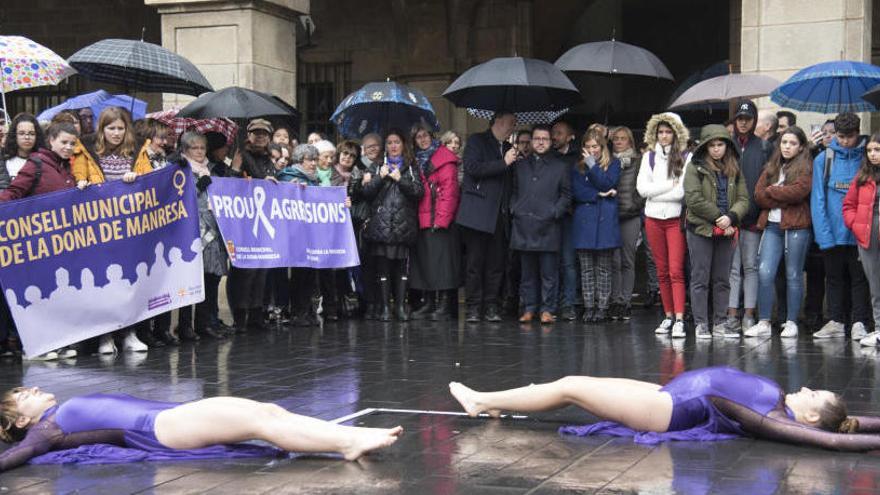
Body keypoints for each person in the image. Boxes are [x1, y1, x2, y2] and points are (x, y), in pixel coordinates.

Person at [449, 366, 880, 451]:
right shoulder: (784, 404)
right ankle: (490, 402)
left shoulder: (773, 419)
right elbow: (846, 422)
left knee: (570, 386)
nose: (806, 387)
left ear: (807, 416)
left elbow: (828, 437)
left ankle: (481, 400)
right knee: (576, 385)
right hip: (669, 393)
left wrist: (867, 441)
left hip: (668, 408)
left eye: (813, 395)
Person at [0, 386, 403, 472]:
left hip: (174, 415)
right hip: (165, 427)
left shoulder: (56, 415)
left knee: (267, 411)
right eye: (23, 395)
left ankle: (348, 440)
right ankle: (347, 442)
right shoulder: (44, 432)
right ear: (21, 420)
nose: (33, 389)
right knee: (261, 420)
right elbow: (14, 456)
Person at [72, 107, 149, 354]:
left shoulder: (138, 150)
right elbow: (78, 176)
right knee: (104, 282)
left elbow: (148, 180)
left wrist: (136, 177)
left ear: (126, 129)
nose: (116, 133)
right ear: (101, 129)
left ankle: (129, 333)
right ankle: (105, 337)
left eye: (120, 128)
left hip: (130, 229)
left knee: (130, 282)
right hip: (100, 231)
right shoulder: (86, 149)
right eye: (111, 128)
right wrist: (82, 183)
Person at [0, 122, 79, 360]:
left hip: (58, 245)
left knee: (54, 294)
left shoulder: (65, 168)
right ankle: (33, 346)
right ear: (51, 140)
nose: (68, 147)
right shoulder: (35, 164)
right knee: (36, 297)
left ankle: (56, 342)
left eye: (72, 144)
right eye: (64, 142)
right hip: (35, 244)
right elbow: (12, 194)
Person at [745, 126, 813, 339]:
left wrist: (773, 191)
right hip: (772, 226)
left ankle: (791, 322)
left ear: (801, 146)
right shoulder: (773, 165)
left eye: (792, 143)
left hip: (797, 226)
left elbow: (799, 191)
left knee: (794, 274)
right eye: (784, 142)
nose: (787, 147)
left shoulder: (805, 166)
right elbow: (758, 195)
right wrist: (780, 193)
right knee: (764, 272)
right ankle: (764, 321)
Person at [683, 124, 749, 339]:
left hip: (727, 228)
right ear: (705, 147)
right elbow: (693, 199)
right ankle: (701, 323)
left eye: (720, 144)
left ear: (727, 146)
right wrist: (719, 218)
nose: (716, 149)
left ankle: (720, 322)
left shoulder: (735, 167)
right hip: (701, 229)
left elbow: (743, 199)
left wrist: (731, 217)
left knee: (722, 279)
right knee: (700, 277)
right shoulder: (695, 166)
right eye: (712, 145)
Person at [811, 112, 871, 340]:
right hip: (833, 231)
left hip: (858, 232)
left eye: (850, 136)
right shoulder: (824, 159)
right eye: (841, 136)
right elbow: (818, 199)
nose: (845, 141)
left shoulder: (866, 158)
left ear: (858, 134)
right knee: (833, 278)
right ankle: (835, 320)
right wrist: (824, 234)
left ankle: (859, 321)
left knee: (859, 279)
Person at [456, 113, 516, 323]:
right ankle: (473, 306)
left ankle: (491, 305)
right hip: (478, 214)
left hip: (500, 215)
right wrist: (503, 162)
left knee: (496, 264)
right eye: (511, 123)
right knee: (475, 263)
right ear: (498, 121)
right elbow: (473, 168)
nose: (513, 127)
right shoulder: (476, 141)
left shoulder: (510, 148)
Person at [508, 125, 571, 324]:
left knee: (548, 272)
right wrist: (514, 208)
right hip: (524, 223)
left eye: (545, 138)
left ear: (551, 142)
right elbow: (514, 191)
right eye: (537, 138)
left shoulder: (560, 166)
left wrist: (555, 212)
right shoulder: (520, 165)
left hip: (548, 225)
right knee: (527, 272)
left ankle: (547, 309)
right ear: (532, 141)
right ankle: (529, 308)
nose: (541, 142)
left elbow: (566, 195)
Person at [361, 129, 424, 321]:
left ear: (403, 144)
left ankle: (400, 306)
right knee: (383, 267)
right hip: (382, 224)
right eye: (389, 142)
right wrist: (380, 176)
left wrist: (400, 179)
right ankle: (385, 308)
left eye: (397, 142)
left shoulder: (411, 166)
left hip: (403, 225)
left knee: (401, 269)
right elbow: (367, 193)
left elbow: (418, 192)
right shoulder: (377, 165)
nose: (393, 146)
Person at [171, 132, 229, 342]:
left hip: (214, 227)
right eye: (194, 148)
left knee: (212, 277)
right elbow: (177, 198)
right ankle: (185, 325)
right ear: (185, 150)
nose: (199, 152)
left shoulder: (212, 168)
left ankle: (208, 322)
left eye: (202, 148)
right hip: (193, 229)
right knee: (192, 279)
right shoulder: (179, 168)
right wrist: (197, 186)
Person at [636, 113, 690, 337]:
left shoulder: (686, 156)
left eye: (668, 132)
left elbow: (681, 193)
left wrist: (659, 189)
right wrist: (669, 184)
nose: (664, 136)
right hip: (653, 219)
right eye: (661, 132)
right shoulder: (649, 156)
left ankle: (679, 318)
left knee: (676, 270)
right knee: (661, 271)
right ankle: (668, 315)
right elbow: (642, 190)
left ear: (676, 133)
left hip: (675, 219)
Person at [226, 119, 277, 333]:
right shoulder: (241, 156)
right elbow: (229, 185)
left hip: (264, 221)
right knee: (245, 271)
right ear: (249, 135)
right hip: (244, 222)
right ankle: (240, 317)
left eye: (264, 133)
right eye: (256, 133)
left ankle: (257, 314)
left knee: (261, 270)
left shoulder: (269, 159)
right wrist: (238, 170)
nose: (260, 137)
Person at [726, 100, 772, 334]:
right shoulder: (726, 145)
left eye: (748, 119)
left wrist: (762, 212)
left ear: (754, 122)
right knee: (732, 269)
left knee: (751, 266)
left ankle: (749, 313)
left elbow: (769, 183)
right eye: (740, 118)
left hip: (753, 219)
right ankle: (732, 312)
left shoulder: (764, 147)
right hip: (730, 218)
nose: (743, 123)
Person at [409, 125, 461, 321]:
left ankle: (445, 305)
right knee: (426, 264)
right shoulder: (415, 160)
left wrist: (442, 219)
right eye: (418, 137)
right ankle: (429, 303)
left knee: (443, 265)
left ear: (432, 137)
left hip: (438, 219)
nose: (422, 140)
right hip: (422, 218)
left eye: (425, 136)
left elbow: (450, 192)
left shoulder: (444, 157)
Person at [572, 130, 620, 323]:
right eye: (588, 147)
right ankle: (589, 306)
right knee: (586, 268)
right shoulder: (576, 167)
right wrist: (598, 194)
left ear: (602, 147)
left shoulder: (614, 164)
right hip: (585, 221)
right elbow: (578, 192)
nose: (592, 150)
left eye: (595, 146)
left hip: (605, 221)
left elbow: (606, 182)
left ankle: (602, 306)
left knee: (604, 268)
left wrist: (593, 166)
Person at [276, 144, 322, 326]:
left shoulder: (313, 178)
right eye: (310, 160)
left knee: (310, 273)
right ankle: (297, 311)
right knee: (299, 273)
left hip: (311, 232)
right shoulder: (288, 176)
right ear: (299, 160)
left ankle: (308, 310)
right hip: (295, 233)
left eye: (315, 160)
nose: (314, 164)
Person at [843, 133, 880, 347]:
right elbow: (848, 205)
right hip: (867, 233)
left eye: (877, 150)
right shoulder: (862, 177)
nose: (873, 154)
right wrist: (855, 224)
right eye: (870, 150)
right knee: (875, 283)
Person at [609, 126, 644, 320]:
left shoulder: (638, 161)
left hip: (631, 216)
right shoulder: (608, 160)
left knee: (628, 260)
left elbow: (642, 187)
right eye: (616, 139)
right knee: (614, 260)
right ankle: (616, 300)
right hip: (612, 215)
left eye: (623, 138)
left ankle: (626, 301)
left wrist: (636, 205)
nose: (619, 142)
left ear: (630, 141)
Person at [349, 134, 383, 320]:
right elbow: (352, 195)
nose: (372, 149)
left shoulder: (385, 165)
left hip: (383, 220)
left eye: (375, 146)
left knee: (381, 264)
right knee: (366, 265)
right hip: (363, 221)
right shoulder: (358, 167)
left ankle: (381, 302)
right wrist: (362, 183)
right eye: (368, 146)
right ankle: (367, 302)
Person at [551, 120, 580, 321]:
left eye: (559, 133)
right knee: (550, 263)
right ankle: (551, 304)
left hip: (570, 215)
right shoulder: (547, 157)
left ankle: (569, 304)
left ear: (570, 136)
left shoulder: (578, 157)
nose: (554, 136)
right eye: (553, 132)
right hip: (549, 215)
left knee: (569, 262)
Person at [0, 113, 44, 188]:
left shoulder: (45, 161)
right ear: (14, 135)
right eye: (21, 133)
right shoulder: (4, 160)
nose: (27, 137)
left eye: (31, 133)